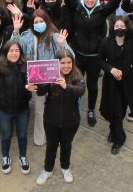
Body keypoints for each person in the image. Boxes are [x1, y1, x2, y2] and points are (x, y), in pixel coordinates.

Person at [62, 0, 123, 127]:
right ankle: (73, 108)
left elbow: (113, 5)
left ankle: (90, 110)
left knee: (92, 85)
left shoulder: (102, 10)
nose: (90, 0)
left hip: (95, 56)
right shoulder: (76, 7)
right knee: (75, 82)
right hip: (78, 54)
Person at [12, 11, 73, 146]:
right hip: (37, 80)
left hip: (54, 80)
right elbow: (14, 50)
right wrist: (16, 31)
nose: (39, 24)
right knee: (40, 111)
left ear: (47, 21)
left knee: (56, 110)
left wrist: (63, 45)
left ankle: (56, 137)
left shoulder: (55, 36)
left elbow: (71, 56)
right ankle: (40, 138)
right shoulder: (27, 37)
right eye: (36, 22)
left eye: (41, 21)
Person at [27, 50, 85, 186]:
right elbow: (42, 91)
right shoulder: (50, 74)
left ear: (73, 63)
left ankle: (65, 168)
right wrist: (34, 87)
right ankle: (47, 170)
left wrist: (67, 86)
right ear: (56, 63)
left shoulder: (77, 76)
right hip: (51, 120)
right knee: (51, 146)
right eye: (62, 63)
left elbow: (80, 90)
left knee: (66, 145)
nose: (66, 66)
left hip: (71, 121)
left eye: (69, 62)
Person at [99, 11, 133, 155]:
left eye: (122, 26)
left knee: (121, 110)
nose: (119, 28)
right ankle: (119, 138)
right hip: (112, 82)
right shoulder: (106, 42)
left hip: (128, 83)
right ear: (113, 27)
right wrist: (110, 69)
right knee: (114, 110)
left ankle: (113, 130)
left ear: (127, 28)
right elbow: (100, 60)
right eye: (117, 26)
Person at [0, 40, 32, 175]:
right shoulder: (0, 66)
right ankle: (5, 157)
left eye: (17, 50)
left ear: (21, 53)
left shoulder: (26, 66)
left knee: (22, 135)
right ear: (5, 53)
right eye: (11, 50)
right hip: (4, 110)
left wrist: (31, 88)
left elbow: (32, 82)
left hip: (23, 109)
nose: (14, 53)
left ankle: (23, 157)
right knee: (6, 135)